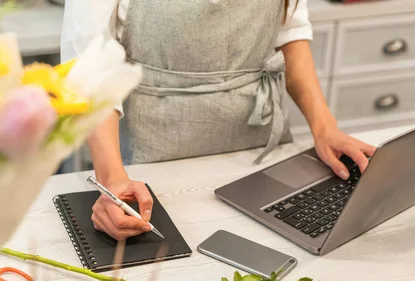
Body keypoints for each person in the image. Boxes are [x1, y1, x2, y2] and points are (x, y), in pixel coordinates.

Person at [61, 0, 376, 241]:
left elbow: (290, 30)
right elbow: (90, 65)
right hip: (155, 155)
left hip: (261, 151)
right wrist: (113, 179)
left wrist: (325, 128)